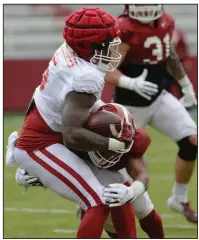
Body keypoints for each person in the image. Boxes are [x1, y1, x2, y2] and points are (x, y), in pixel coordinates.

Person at [5, 8, 139, 238]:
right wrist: (115, 144)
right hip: (42, 143)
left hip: (49, 128)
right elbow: (72, 135)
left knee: (119, 187)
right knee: (97, 201)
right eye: (108, 43)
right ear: (89, 47)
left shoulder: (69, 49)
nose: (113, 48)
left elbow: (43, 95)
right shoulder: (85, 76)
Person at [105, 4, 197, 225]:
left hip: (158, 97)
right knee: (133, 168)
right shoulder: (124, 27)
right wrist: (129, 82)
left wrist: (186, 86)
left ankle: (179, 198)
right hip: (129, 107)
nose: (145, 8)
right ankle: (120, 212)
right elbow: (107, 69)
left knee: (193, 140)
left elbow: (170, 56)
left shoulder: (165, 21)